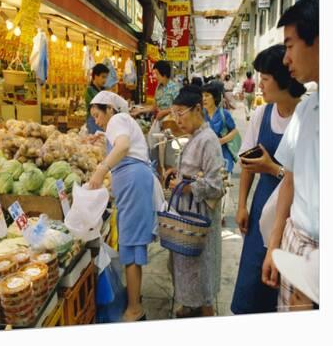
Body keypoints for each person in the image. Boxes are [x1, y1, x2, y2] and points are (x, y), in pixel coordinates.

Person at [231, 44, 306, 315]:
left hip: (293, 216)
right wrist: (241, 205)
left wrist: (272, 167)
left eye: (265, 78)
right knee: (252, 283)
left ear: (284, 78)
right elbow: (248, 165)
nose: (259, 84)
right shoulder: (262, 115)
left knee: (280, 287)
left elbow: (306, 179)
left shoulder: (306, 116)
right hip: (262, 207)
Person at [261, 0, 319, 311]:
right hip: (294, 243)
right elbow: (290, 182)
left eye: (289, 46)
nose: (286, 59)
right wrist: (274, 246)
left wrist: (317, 280)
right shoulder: (308, 108)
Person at [87, 91, 157, 322]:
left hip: (134, 184)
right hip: (134, 184)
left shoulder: (117, 120)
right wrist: (101, 136)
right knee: (132, 245)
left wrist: (101, 169)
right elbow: (120, 141)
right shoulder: (120, 122)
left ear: (109, 109)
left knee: (131, 245)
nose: (97, 120)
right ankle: (135, 300)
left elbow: (124, 145)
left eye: (98, 115)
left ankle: (135, 309)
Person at [165, 85, 224, 318]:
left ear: (197, 109)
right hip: (187, 215)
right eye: (174, 113)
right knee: (185, 264)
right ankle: (190, 305)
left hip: (200, 218)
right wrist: (177, 174)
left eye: (181, 113)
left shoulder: (208, 140)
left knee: (202, 270)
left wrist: (186, 186)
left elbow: (216, 185)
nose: (177, 119)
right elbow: (191, 170)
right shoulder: (195, 137)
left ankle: (206, 313)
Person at [201, 83, 239, 174]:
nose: (204, 99)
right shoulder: (201, 115)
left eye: (207, 96)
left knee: (223, 182)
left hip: (224, 155)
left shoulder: (224, 114)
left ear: (215, 97)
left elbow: (234, 131)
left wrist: (222, 140)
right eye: (202, 96)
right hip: (207, 156)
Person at [85, 63, 109, 134]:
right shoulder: (89, 91)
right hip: (93, 121)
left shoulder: (104, 90)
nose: (105, 80)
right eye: (103, 77)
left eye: (106, 77)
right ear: (95, 76)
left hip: (104, 121)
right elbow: (95, 107)